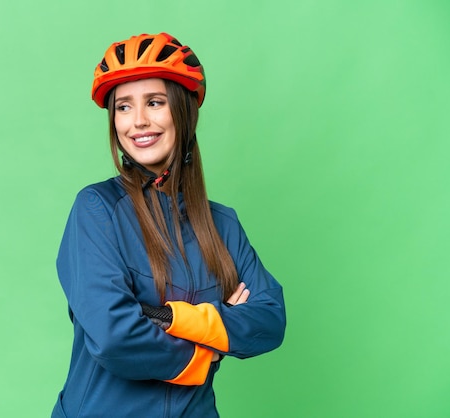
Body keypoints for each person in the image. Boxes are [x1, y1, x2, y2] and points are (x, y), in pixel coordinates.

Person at [51, 32, 286, 418]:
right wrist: (208, 347)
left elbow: (270, 320)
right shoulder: (96, 210)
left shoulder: (223, 224)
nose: (138, 121)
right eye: (123, 107)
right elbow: (114, 338)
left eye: (154, 102)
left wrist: (174, 317)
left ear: (184, 111)